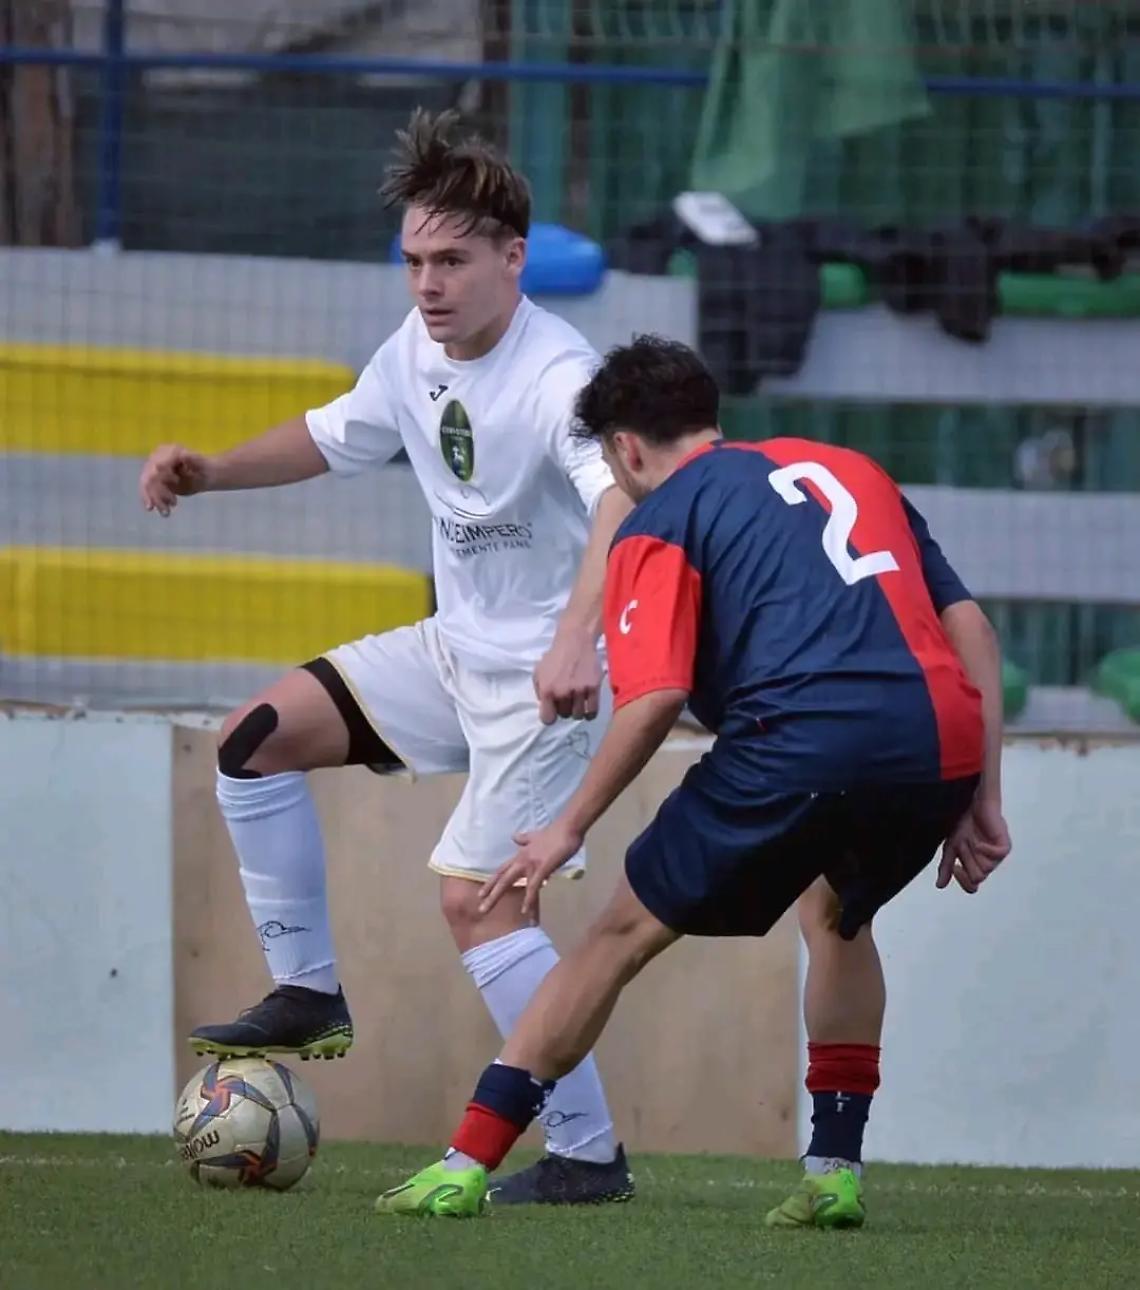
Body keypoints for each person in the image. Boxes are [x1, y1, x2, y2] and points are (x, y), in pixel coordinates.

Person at [375, 335, 1011, 1223]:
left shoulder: (660, 518)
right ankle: (835, 1174)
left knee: (616, 936)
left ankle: (466, 1163)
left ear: (626, 449)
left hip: (802, 736)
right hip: (936, 739)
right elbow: (971, 627)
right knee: (839, 913)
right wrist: (983, 796)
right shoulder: (849, 469)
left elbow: (655, 698)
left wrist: (567, 826)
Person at [137, 109, 637, 1206]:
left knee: (480, 907)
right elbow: (332, 435)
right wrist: (212, 470)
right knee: (254, 741)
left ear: (513, 256)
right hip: (454, 652)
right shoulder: (413, 349)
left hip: (551, 687)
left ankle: (589, 1154)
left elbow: (621, 504)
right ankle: (308, 992)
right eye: (413, 261)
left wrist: (573, 639)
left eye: (451, 260)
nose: (428, 284)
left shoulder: (563, 374)